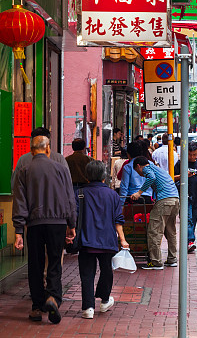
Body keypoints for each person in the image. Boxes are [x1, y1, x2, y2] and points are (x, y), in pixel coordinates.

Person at [12, 136, 77, 324]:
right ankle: (53, 298)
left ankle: (37, 306)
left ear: (32, 151)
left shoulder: (24, 170)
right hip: (58, 223)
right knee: (55, 262)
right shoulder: (61, 169)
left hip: (34, 224)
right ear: (48, 149)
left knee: (35, 264)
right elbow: (69, 199)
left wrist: (18, 230)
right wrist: (71, 224)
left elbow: (20, 201)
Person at [77, 160, 129, 319]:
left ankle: (88, 308)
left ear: (87, 176)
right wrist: (122, 239)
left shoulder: (79, 193)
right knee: (107, 270)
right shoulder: (113, 195)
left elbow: (74, 216)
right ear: (103, 176)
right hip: (107, 240)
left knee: (87, 274)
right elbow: (118, 219)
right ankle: (105, 299)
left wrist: (71, 233)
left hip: (86, 240)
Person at [129, 157, 179, 270]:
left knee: (154, 231)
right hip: (175, 200)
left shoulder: (147, 168)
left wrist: (139, 192)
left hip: (164, 200)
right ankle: (172, 259)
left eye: (137, 172)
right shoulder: (157, 168)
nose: (140, 174)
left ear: (138, 166)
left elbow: (151, 178)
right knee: (170, 231)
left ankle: (156, 262)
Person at [173, 142, 197, 253]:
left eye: (194, 155)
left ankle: (188, 242)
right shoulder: (180, 164)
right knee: (187, 220)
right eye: (190, 155)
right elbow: (172, 178)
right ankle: (190, 241)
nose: (192, 157)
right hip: (184, 196)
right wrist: (183, 176)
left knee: (193, 220)